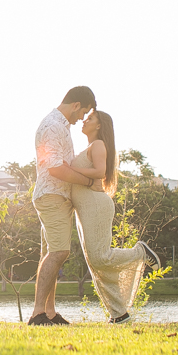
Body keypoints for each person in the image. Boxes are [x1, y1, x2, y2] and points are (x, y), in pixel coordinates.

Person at [68, 110, 161, 324]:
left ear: (99, 126)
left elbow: (100, 172)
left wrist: (70, 169)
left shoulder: (98, 144)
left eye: (90, 118)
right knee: (96, 263)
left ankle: (140, 252)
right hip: (84, 209)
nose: (84, 120)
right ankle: (119, 314)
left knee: (100, 257)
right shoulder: (90, 147)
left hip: (95, 205)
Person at [28, 86, 97, 326]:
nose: (82, 119)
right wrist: (88, 180)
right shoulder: (53, 127)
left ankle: (49, 312)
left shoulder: (61, 127)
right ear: (76, 105)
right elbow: (55, 168)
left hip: (57, 197)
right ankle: (38, 313)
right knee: (59, 252)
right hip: (52, 196)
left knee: (52, 252)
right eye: (83, 112)